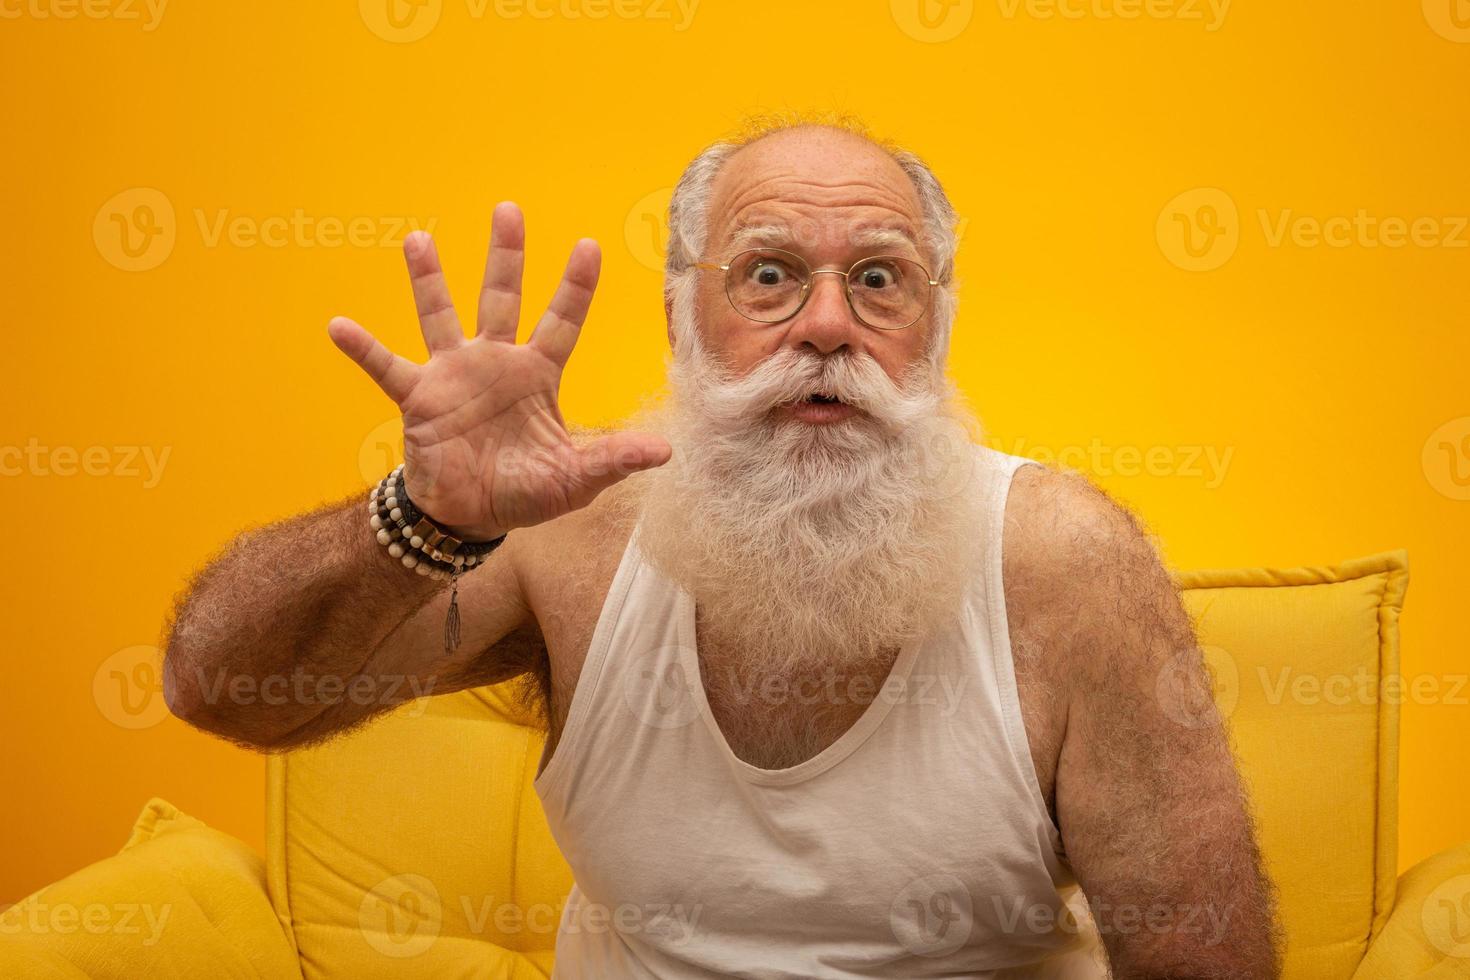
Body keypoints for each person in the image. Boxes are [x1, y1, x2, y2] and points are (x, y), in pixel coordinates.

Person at [162, 115, 1281, 978]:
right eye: (770, 273)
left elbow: (1204, 960)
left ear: (935, 328)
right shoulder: (569, 537)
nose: (828, 323)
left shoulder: (1067, 563)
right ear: (680, 318)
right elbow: (224, 690)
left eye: (880, 278)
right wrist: (426, 514)